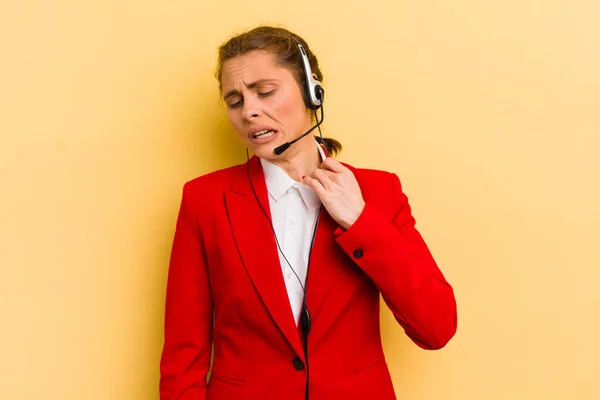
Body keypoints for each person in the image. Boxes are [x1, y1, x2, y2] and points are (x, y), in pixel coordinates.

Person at [159, 25, 457, 400]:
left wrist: (361, 222)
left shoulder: (379, 193)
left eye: (265, 92)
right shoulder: (205, 200)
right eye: (234, 101)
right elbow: (182, 357)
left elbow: (437, 326)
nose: (250, 111)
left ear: (312, 90)